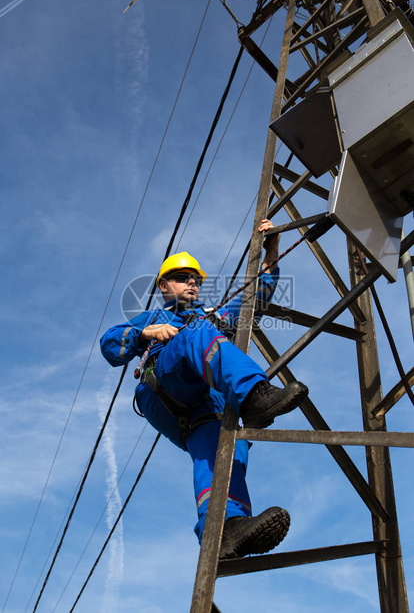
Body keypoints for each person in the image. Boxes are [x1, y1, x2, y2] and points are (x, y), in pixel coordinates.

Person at [100, 220, 308, 559]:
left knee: (226, 445)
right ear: (164, 286)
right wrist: (148, 334)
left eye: (195, 279)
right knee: (197, 333)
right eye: (183, 278)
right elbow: (110, 344)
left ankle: (226, 528)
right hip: (163, 388)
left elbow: (258, 294)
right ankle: (255, 396)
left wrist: (271, 248)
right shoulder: (155, 316)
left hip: (200, 409)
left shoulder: (214, 314)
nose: (192, 283)